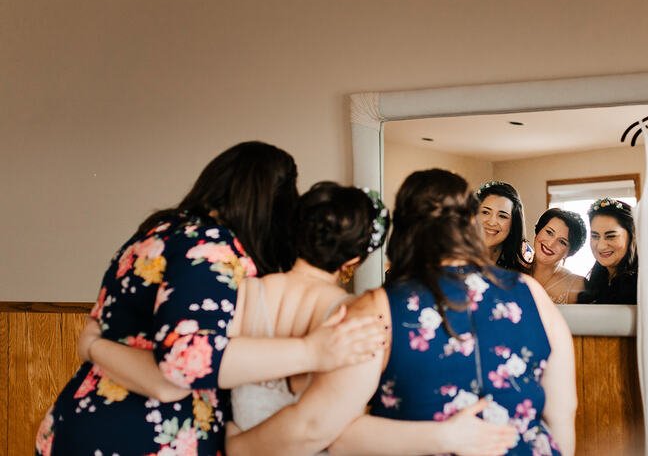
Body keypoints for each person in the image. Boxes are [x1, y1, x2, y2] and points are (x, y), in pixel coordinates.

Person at [74, 181, 513, 455]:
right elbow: (325, 410)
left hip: (240, 433)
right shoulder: (348, 311)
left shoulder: (247, 289)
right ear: (355, 257)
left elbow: (215, 363)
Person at [35, 142, 385, 456]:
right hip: (143, 434)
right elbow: (182, 367)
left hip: (82, 418)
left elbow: (117, 332)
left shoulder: (156, 233)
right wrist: (313, 350)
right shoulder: (210, 248)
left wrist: (94, 347)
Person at [227, 169, 577, 456]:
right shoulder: (532, 293)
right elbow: (562, 413)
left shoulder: (379, 306)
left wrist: (234, 447)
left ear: (404, 229)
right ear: (471, 224)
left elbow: (323, 429)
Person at [578, 197, 638, 305]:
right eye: (595, 236)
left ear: (631, 236)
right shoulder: (596, 281)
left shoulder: (641, 283)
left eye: (611, 236)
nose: (601, 246)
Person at [530, 208, 587, 304]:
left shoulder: (577, 285)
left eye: (562, 242)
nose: (551, 244)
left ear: (570, 252)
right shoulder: (512, 269)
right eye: (549, 232)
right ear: (538, 231)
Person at [475, 180, 534, 273]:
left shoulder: (524, 255)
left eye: (502, 216)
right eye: (485, 212)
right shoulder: (453, 251)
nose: (492, 222)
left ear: (513, 223)